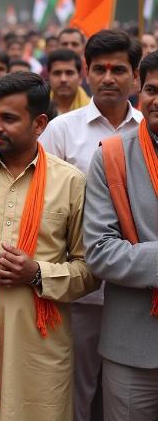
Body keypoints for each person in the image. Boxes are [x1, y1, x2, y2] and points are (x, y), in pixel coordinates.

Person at [0, 72, 98, 421]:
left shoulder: (70, 182)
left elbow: (90, 269)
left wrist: (36, 273)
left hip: (40, 347)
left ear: (39, 123)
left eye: (9, 118)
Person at [40, 29, 142, 421]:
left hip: (137, 290)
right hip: (81, 289)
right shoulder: (62, 131)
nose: (108, 78)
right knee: (77, 392)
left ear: (135, 76)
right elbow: (44, 200)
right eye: (99, 69)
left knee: (127, 395)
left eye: (119, 69)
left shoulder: (147, 131)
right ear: (87, 72)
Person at [83, 51, 158, 421]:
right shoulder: (113, 156)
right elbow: (100, 251)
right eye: (152, 90)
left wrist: (141, 253)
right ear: (139, 93)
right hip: (133, 346)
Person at [47, 48, 90, 115]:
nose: (63, 79)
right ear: (48, 77)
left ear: (80, 78)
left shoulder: (91, 109)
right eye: (57, 73)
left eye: (69, 73)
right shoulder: (37, 109)